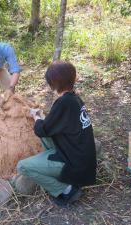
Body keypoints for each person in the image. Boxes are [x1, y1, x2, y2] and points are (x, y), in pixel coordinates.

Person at [17, 61, 97, 206]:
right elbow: (50, 127)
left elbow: (41, 130)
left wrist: (36, 117)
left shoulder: (63, 103)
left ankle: (67, 189)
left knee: (22, 166)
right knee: (46, 133)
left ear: (53, 83)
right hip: (83, 159)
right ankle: (56, 169)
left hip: (74, 164)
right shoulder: (74, 98)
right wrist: (42, 118)